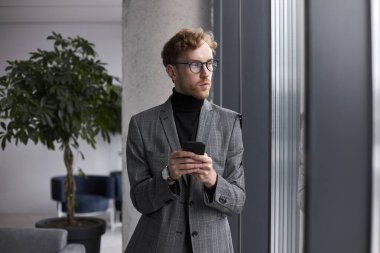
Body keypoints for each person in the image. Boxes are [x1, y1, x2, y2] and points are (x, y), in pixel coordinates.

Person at [125, 27, 246, 253]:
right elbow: (140, 201)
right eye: (195, 65)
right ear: (172, 72)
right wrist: (167, 175)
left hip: (213, 246)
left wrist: (212, 180)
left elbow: (237, 202)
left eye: (210, 63)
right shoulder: (141, 125)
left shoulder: (229, 123)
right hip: (157, 245)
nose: (206, 73)